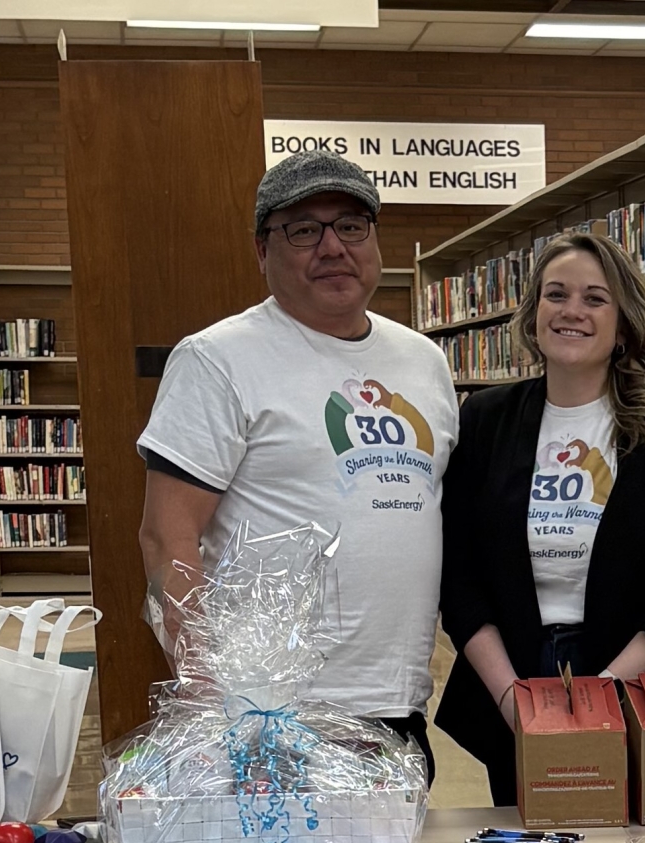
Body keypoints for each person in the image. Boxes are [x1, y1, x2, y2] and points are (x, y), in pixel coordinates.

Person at [135, 149, 458, 780]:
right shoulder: (217, 359)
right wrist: (210, 699)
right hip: (274, 713)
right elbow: (165, 534)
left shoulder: (424, 361)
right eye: (304, 230)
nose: (333, 247)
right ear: (263, 251)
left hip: (397, 705)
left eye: (351, 225)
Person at [434, 231, 645, 805]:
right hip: (512, 676)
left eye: (595, 298)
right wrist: (509, 697)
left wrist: (603, 694)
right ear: (533, 312)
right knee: (529, 828)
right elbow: (459, 575)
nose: (572, 311)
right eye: (556, 294)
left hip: (632, 681)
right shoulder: (486, 421)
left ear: (623, 324)